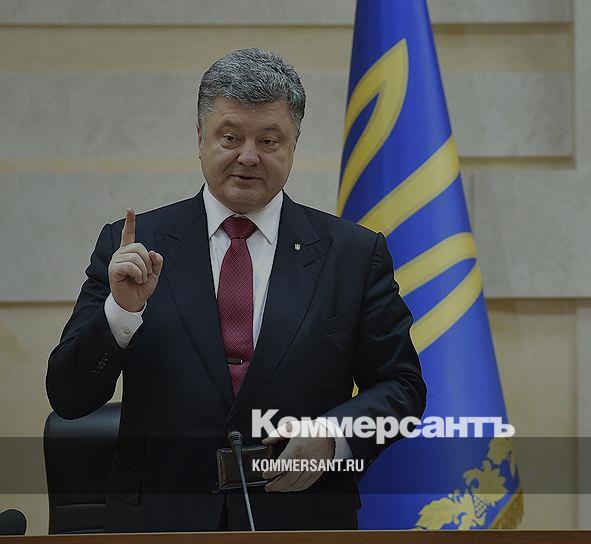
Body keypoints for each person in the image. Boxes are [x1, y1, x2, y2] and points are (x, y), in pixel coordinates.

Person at [47, 48, 426, 532]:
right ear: (200, 138)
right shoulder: (134, 246)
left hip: (301, 520)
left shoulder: (352, 254)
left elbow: (401, 387)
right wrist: (120, 314)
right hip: (161, 524)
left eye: (269, 140)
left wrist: (333, 437)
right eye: (230, 137)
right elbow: (69, 397)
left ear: (293, 144)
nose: (248, 156)